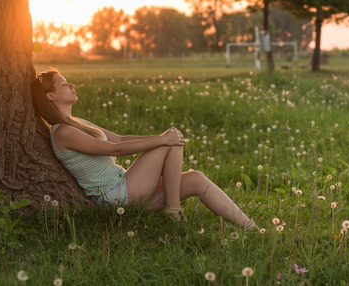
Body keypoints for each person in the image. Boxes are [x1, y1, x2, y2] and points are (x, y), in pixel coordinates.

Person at [31, 69, 257, 231]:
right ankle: (174, 213)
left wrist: (162, 137)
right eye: (64, 84)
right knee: (168, 142)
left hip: (128, 188)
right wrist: (162, 140)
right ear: (51, 96)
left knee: (196, 178)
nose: (71, 85)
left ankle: (251, 228)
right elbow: (116, 149)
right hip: (115, 197)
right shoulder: (62, 132)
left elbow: (120, 138)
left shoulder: (77, 122)